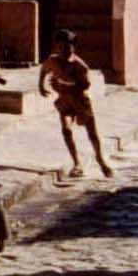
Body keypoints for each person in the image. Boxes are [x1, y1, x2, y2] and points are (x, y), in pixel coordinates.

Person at [39, 31, 114, 178]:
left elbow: (84, 86)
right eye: (60, 47)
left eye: (67, 47)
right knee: (66, 130)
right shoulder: (53, 60)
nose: (64, 50)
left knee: (92, 133)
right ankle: (77, 163)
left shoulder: (80, 65)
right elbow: (43, 69)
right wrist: (41, 86)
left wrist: (64, 84)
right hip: (65, 102)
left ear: (73, 47)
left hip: (80, 102)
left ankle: (100, 159)